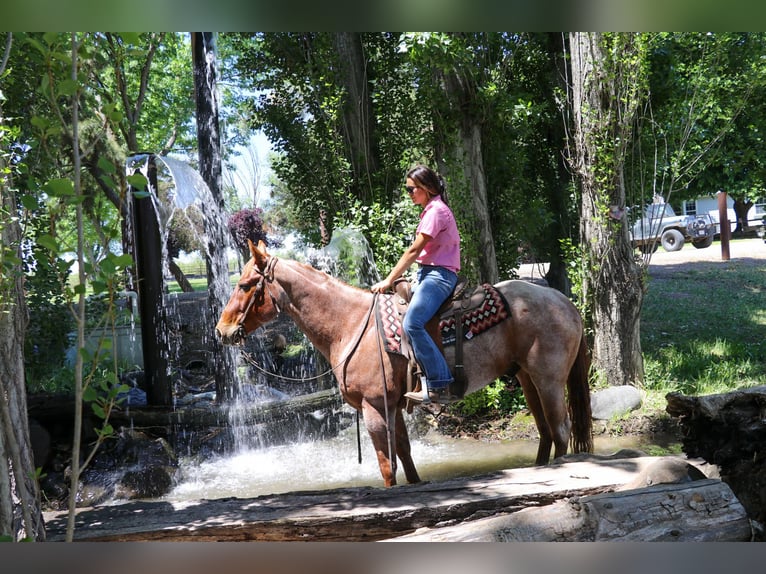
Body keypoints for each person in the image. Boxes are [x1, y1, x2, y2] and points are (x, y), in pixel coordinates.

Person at [370, 165, 461, 405]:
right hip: (427, 273)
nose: (409, 193)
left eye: (412, 189)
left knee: (412, 322)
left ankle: (440, 385)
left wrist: (389, 280)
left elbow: (413, 251)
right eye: (407, 189)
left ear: (427, 188)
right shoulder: (430, 210)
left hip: (438, 276)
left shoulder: (436, 212)